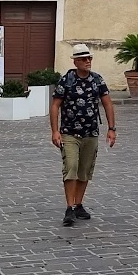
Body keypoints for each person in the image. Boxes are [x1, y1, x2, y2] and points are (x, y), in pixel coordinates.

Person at [50, 43, 117, 226]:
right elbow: (55, 105)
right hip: (69, 133)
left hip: (90, 132)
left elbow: (107, 103)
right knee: (70, 167)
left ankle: (78, 203)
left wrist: (111, 128)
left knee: (85, 170)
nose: (88, 61)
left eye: (89, 58)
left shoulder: (97, 80)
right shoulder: (67, 80)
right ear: (76, 61)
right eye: (84, 59)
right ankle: (69, 207)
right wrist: (55, 131)